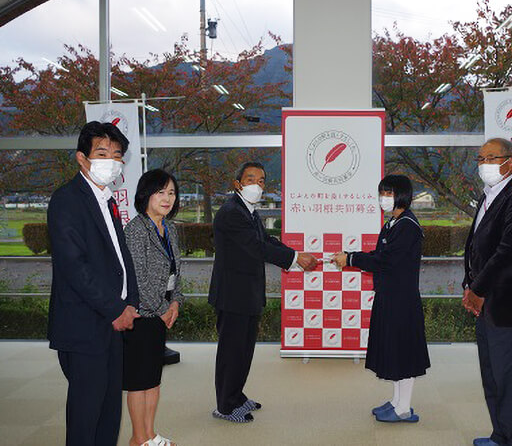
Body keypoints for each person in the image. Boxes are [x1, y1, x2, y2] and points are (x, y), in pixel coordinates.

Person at [47, 121, 140, 446]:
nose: (111, 161)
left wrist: (131, 304)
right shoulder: (67, 201)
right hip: (86, 324)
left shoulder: (108, 200)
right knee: (86, 416)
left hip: (114, 323)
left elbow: (119, 257)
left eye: (117, 155)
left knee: (109, 412)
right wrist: (116, 309)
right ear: (82, 159)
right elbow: (76, 267)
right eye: (102, 153)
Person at [208, 161, 318, 423]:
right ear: (237, 184)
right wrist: (294, 258)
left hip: (247, 292)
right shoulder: (231, 212)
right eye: (250, 179)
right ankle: (224, 406)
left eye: (260, 181)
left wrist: (294, 254)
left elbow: (266, 240)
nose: (256, 185)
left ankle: (235, 396)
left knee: (244, 350)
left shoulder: (249, 211)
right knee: (231, 351)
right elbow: (256, 247)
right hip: (232, 295)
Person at [332, 174, 430, 423]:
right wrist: (351, 256)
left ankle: (404, 409)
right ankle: (397, 402)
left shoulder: (408, 225)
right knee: (395, 351)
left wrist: (351, 259)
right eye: (382, 192)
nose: (383, 198)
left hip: (402, 300)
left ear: (402, 195)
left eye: (388, 193)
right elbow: (379, 255)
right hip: (389, 297)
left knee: (404, 354)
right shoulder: (393, 223)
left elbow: (386, 261)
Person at [462, 138, 512, 446]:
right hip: (484, 303)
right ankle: (500, 434)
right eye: (481, 158)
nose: (484, 164)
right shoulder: (487, 197)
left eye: (491, 158)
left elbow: (509, 254)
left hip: (506, 304)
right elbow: (477, 247)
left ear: (509, 161)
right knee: (493, 377)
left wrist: (478, 290)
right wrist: (469, 284)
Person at [123, 169, 184, 446]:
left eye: (171, 192)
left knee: (153, 378)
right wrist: (161, 308)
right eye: (161, 192)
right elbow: (137, 278)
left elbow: (176, 271)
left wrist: (175, 303)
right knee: (139, 380)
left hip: (161, 314)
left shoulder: (169, 228)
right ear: (146, 195)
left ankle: (150, 434)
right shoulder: (136, 229)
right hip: (141, 316)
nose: (167, 198)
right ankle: (138, 438)